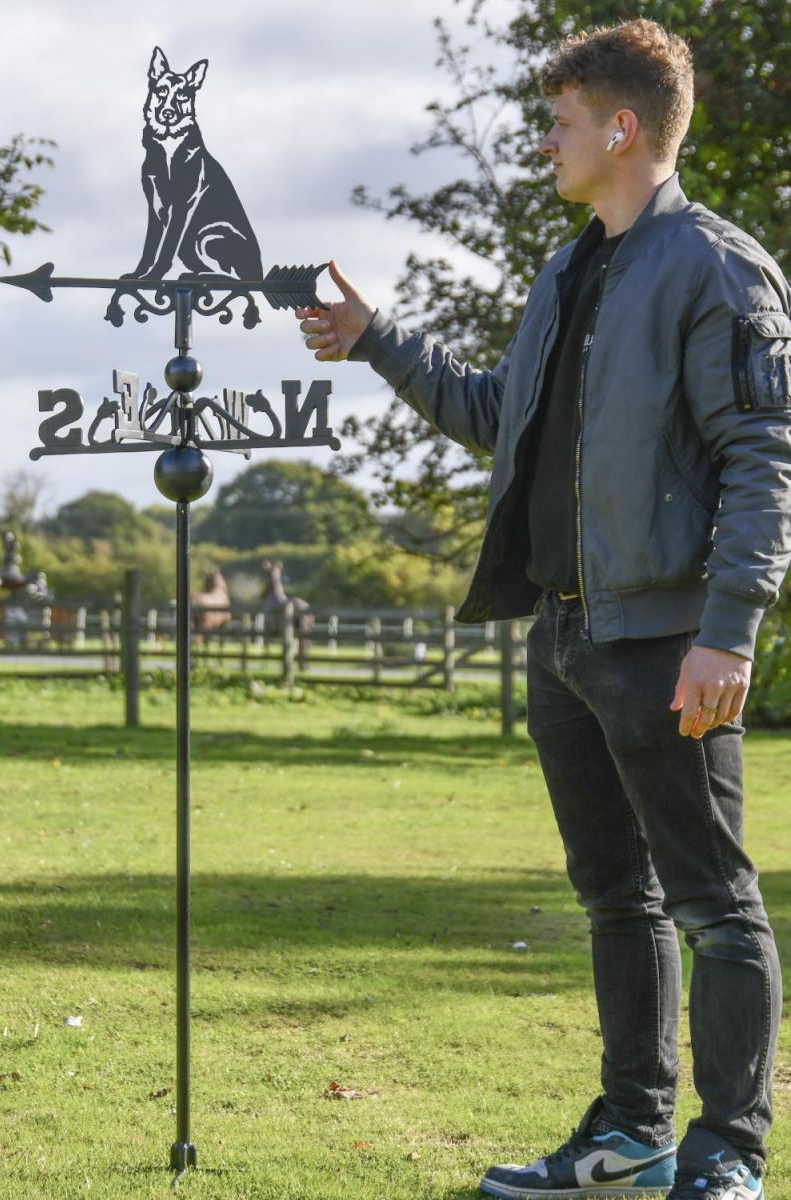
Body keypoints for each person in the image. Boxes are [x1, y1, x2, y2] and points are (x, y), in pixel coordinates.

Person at [297, 18, 791, 1200]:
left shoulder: (722, 270)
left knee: (714, 903)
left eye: (561, 121)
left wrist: (728, 632)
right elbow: (495, 416)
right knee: (615, 900)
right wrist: (374, 344)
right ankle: (633, 1131)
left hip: (668, 640)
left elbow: (766, 458)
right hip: (564, 638)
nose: (545, 140)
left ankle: (729, 1153)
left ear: (622, 128)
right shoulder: (570, 269)